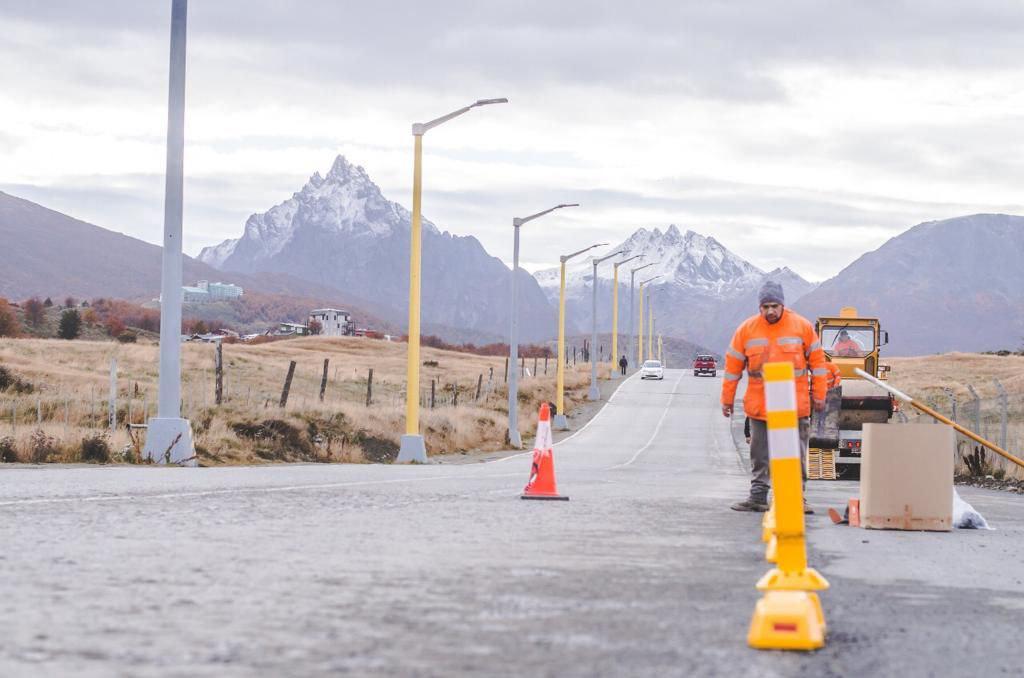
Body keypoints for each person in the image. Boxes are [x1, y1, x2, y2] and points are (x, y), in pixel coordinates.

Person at [721, 280, 828, 513]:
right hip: (760, 407)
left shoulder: (802, 327)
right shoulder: (746, 330)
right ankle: (758, 497)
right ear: (759, 307)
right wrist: (727, 400)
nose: (770, 311)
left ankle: (796, 498)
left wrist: (819, 395)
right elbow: (732, 369)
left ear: (782, 305)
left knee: (794, 454)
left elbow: (819, 365)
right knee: (759, 454)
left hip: (794, 406)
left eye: (774, 306)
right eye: (765, 306)